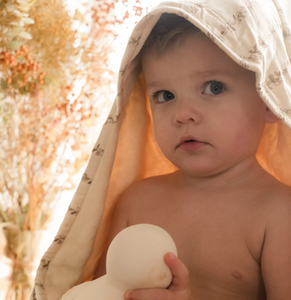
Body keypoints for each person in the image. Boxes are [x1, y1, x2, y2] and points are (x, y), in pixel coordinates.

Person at [31, 1, 291, 300]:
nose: (183, 114)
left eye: (214, 87)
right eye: (165, 95)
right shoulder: (138, 202)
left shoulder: (279, 213)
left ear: (270, 98)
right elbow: (105, 290)